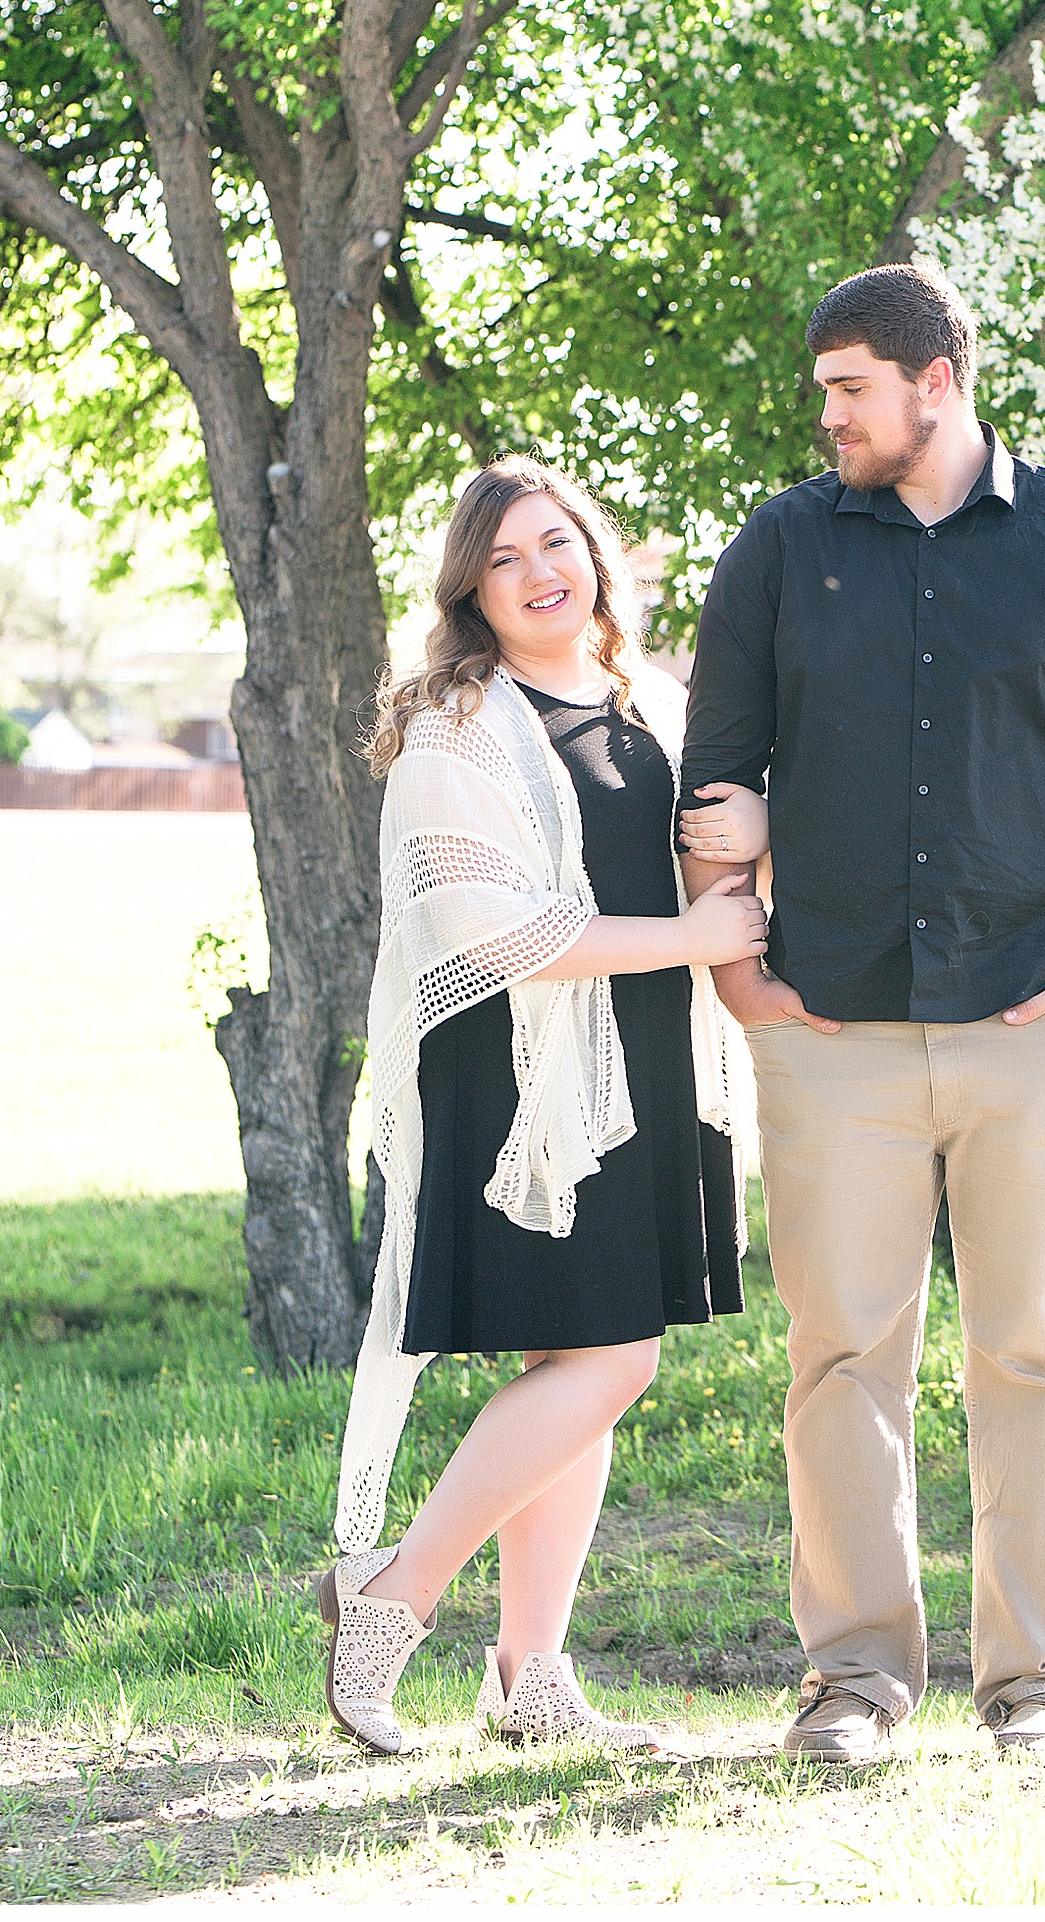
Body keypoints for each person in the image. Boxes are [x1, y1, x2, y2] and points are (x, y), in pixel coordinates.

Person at [678, 261, 1045, 1767]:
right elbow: (715, 770)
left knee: (1040, 1351)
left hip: (1040, 1022)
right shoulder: (781, 547)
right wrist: (742, 979)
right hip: (832, 1030)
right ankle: (854, 1679)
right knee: (841, 1355)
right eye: (824, 390)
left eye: (850, 385)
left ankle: (1042, 1683)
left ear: (941, 377)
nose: (829, 414)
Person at [321, 455, 764, 1757]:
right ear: (472, 590)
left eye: (555, 542)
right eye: (505, 558)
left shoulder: (649, 700)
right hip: (520, 1073)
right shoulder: (460, 721)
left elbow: (710, 850)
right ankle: (392, 1592)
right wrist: (692, 933)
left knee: (583, 1361)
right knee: (612, 1357)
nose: (538, 573)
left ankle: (530, 1679)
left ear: (594, 550)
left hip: (639, 1061)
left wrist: (753, 827)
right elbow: (494, 931)